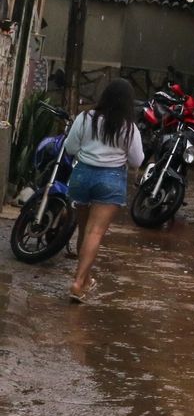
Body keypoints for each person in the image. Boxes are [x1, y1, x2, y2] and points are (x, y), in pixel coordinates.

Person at [65, 78, 144, 303]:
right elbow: (137, 159)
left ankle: (85, 278)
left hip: (82, 176)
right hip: (110, 180)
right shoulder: (129, 128)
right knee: (95, 233)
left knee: (84, 230)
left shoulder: (84, 118)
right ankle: (79, 282)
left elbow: (70, 147)